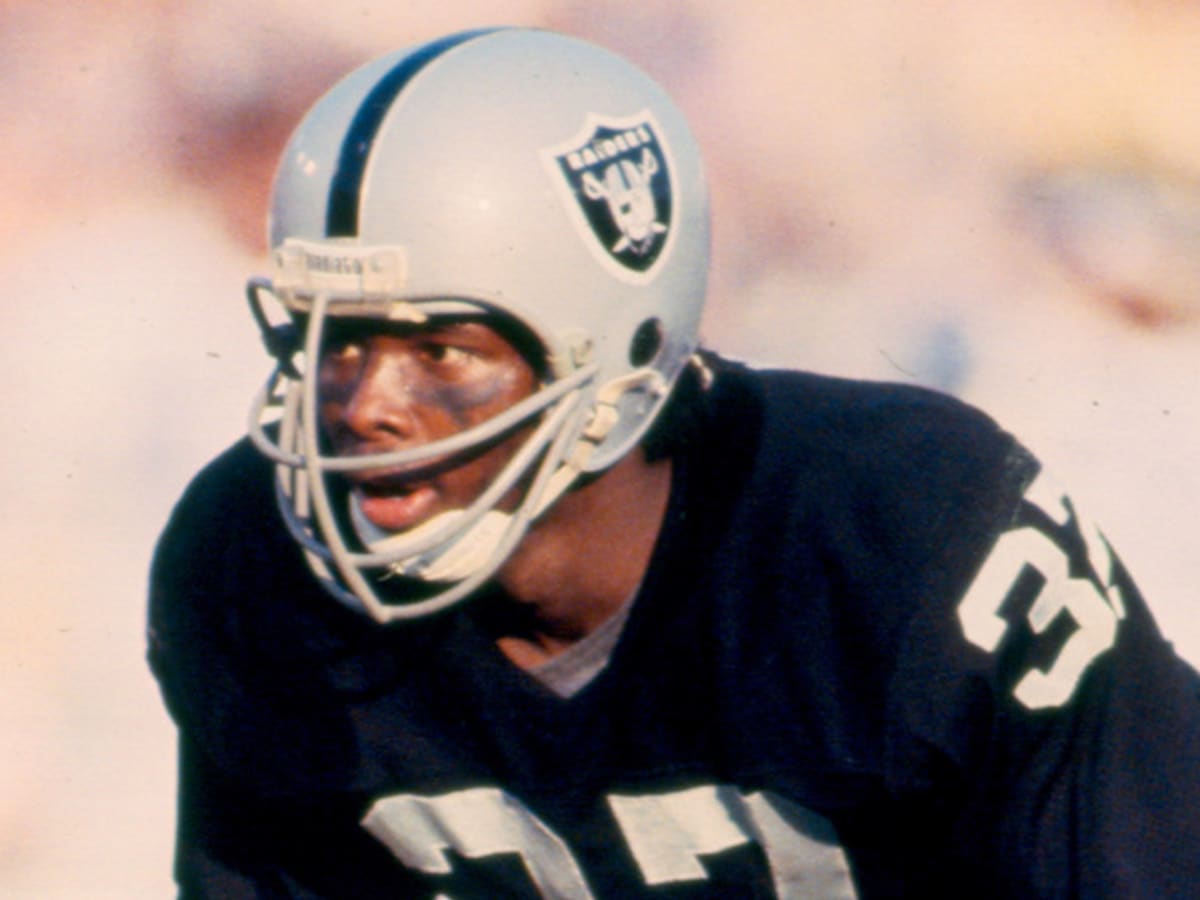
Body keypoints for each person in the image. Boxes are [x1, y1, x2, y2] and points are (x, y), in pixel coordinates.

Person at [147, 27, 1200, 899]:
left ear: (618, 350)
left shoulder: (902, 535)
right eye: (332, 341)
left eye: (441, 349)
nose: (365, 405)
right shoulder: (248, 566)